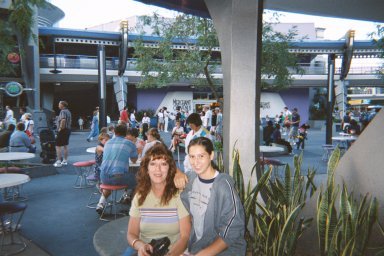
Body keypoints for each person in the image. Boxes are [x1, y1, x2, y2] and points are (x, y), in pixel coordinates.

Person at [178, 137, 246, 255]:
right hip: (197, 246)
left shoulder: (223, 185)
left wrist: (203, 254)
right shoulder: (191, 179)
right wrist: (176, 173)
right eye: (192, 156)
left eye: (201, 156)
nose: (196, 162)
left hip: (224, 250)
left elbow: (233, 229)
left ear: (211, 155)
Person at [124, 144, 191, 256]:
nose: (158, 169)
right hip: (144, 251)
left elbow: (185, 237)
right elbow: (131, 233)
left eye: (163, 164)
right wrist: (140, 246)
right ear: (146, 169)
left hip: (174, 252)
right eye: (153, 164)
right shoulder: (140, 196)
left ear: (170, 168)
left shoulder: (179, 195)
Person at [96, 123, 138, 214]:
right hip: (119, 177)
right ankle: (133, 206)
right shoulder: (130, 144)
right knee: (138, 181)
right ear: (126, 133)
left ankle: (101, 203)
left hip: (103, 176)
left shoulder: (107, 143)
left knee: (110, 181)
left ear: (114, 131)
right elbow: (134, 160)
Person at [54, 100, 72, 168]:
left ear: (62, 105)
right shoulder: (68, 111)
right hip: (68, 130)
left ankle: (58, 161)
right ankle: (65, 160)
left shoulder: (63, 111)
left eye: (59, 104)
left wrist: (60, 129)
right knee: (65, 145)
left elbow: (63, 120)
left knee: (58, 145)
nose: (58, 105)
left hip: (63, 130)